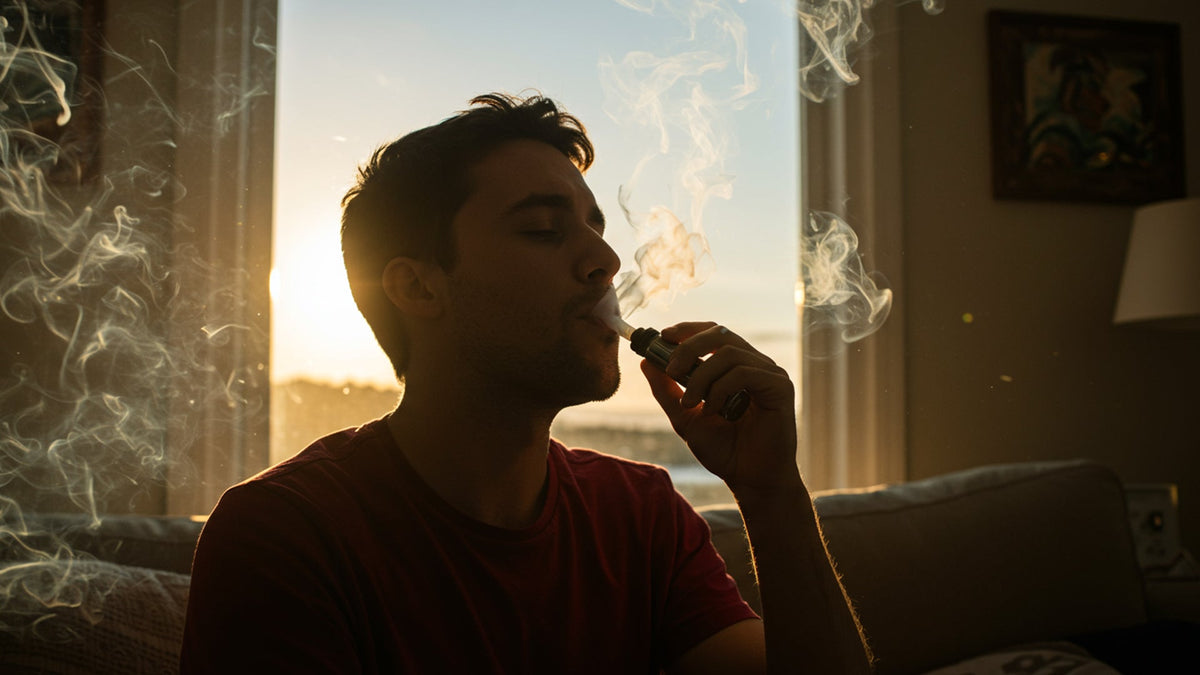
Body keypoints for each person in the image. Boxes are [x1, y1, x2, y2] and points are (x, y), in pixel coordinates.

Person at [180, 92, 872, 674]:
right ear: (419, 285)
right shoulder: (285, 535)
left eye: (597, 230)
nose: (605, 258)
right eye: (543, 229)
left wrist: (773, 489)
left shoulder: (642, 514)